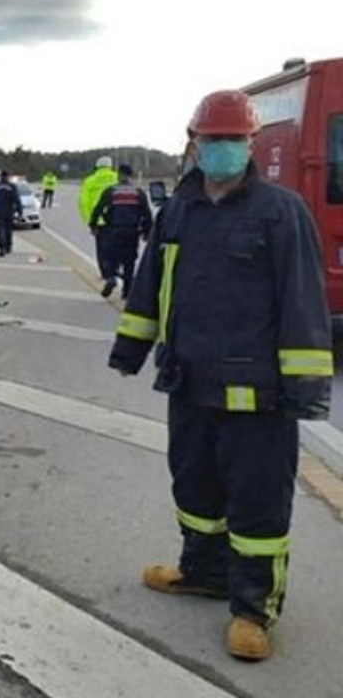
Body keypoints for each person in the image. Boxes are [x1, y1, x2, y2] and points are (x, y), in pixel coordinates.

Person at [108, 90, 332, 662]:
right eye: (213, 140)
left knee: (257, 508)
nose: (223, 149)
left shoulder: (281, 213)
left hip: (258, 398)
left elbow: (303, 304)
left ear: (250, 144)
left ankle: (254, 609)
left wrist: (303, 390)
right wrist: (130, 349)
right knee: (196, 490)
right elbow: (149, 287)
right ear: (194, 144)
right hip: (189, 383)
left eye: (234, 140)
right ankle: (203, 572)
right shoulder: (179, 212)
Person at [89, 164, 154, 298]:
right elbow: (147, 214)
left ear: (119, 175)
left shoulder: (111, 191)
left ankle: (112, 277)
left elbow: (98, 209)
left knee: (111, 257)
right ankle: (127, 292)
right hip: (132, 231)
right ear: (131, 176)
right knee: (129, 261)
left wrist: (93, 225)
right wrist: (147, 232)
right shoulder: (139, 192)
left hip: (114, 229)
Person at [80, 156, 121, 285]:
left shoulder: (90, 181)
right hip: (116, 220)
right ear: (110, 166)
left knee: (102, 249)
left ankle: (105, 274)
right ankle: (115, 270)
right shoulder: (117, 178)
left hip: (98, 221)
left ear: (97, 166)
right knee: (116, 247)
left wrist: (89, 220)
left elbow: (83, 202)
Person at [0, 169, 23, 257]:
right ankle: (8, 247)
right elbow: (17, 200)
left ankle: (2, 248)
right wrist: (19, 211)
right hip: (9, 211)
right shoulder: (12, 186)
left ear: (0, 176)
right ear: (8, 176)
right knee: (8, 230)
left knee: (0, 230)